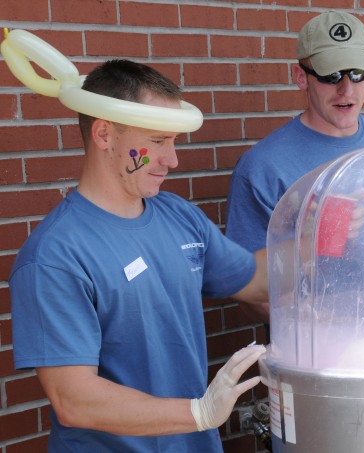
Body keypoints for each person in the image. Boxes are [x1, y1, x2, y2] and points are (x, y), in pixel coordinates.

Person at [9, 59, 269, 452]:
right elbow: (73, 399)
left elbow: (255, 278)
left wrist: (321, 236)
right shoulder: (55, 254)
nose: (173, 159)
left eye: (174, 141)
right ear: (104, 134)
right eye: (158, 142)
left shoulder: (178, 216)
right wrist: (198, 413)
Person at [226, 10, 364, 322]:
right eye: (330, 76)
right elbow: (246, 287)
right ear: (301, 77)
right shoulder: (263, 167)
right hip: (320, 353)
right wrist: (316, 333)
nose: (346, 90)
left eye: (357, 74)